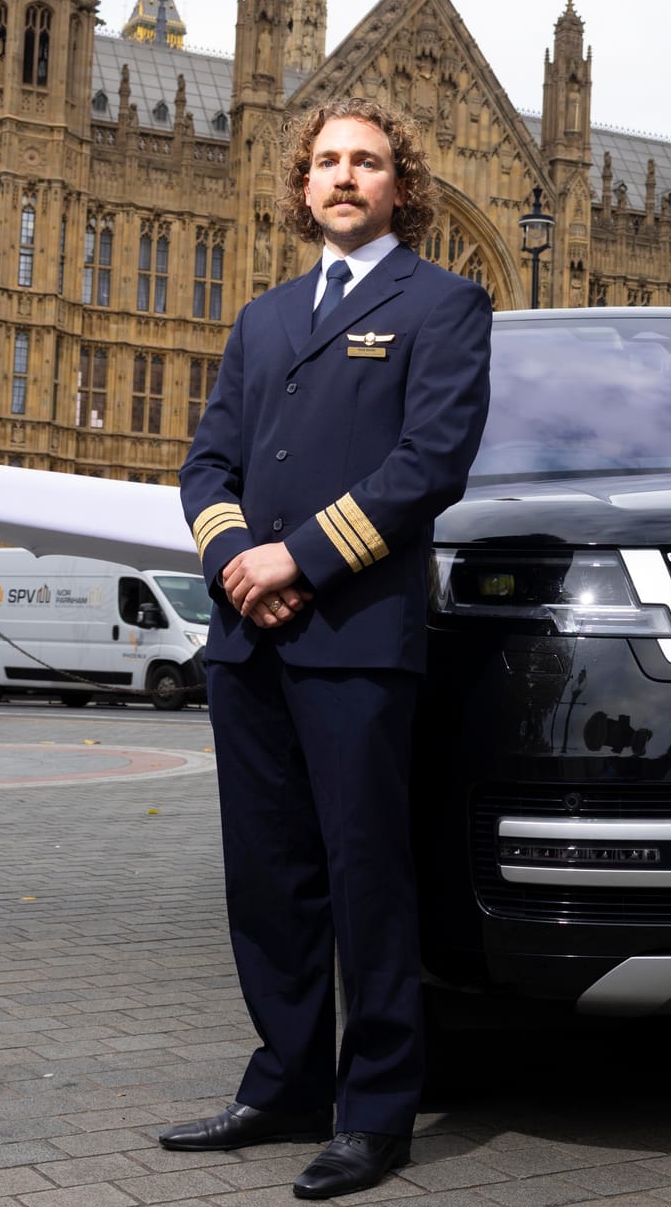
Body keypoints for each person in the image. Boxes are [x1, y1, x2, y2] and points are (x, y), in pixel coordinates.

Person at [164, 95, 492, 1200]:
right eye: (326, 162)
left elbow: (427, 463)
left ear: (403, 185)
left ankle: (376, 1110)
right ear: (299, 187)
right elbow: (205, 463)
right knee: (269, 879)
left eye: (367, 161)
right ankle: (286, 1079)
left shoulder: (444, 303)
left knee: (367, 879)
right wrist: (230, 565)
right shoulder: (260, 319)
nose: (343, 177)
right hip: (247, 642)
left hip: (353, 635)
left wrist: (293, 558)